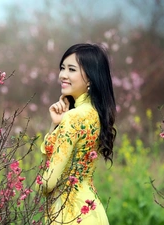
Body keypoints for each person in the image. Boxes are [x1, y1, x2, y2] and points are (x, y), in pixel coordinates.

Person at [40, 43, 116, 225]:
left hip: (69, 215)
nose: (63, 75)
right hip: (91, 211)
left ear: (90, 78)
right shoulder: (95, 113)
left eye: (71, 69)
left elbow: (48, 182)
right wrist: (55, 125)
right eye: (62, 68)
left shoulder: (73, 117)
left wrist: (36, 186)